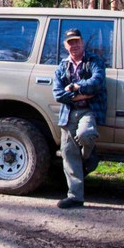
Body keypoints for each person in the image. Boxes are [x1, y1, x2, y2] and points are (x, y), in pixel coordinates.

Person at [52, 27, 106, 208]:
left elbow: (96, 83)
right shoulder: (62, 66)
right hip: (68, 113)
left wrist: (75, 87)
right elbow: (58, 94)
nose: (74, 45)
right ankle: (75, 196)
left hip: (89, 111)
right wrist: (83, 94)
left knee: (85, 135)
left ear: (82, 42)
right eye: (70, 42)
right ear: (65, 46)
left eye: (76, 41)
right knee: (68, 154)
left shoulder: (94, 61)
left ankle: (89, 155)